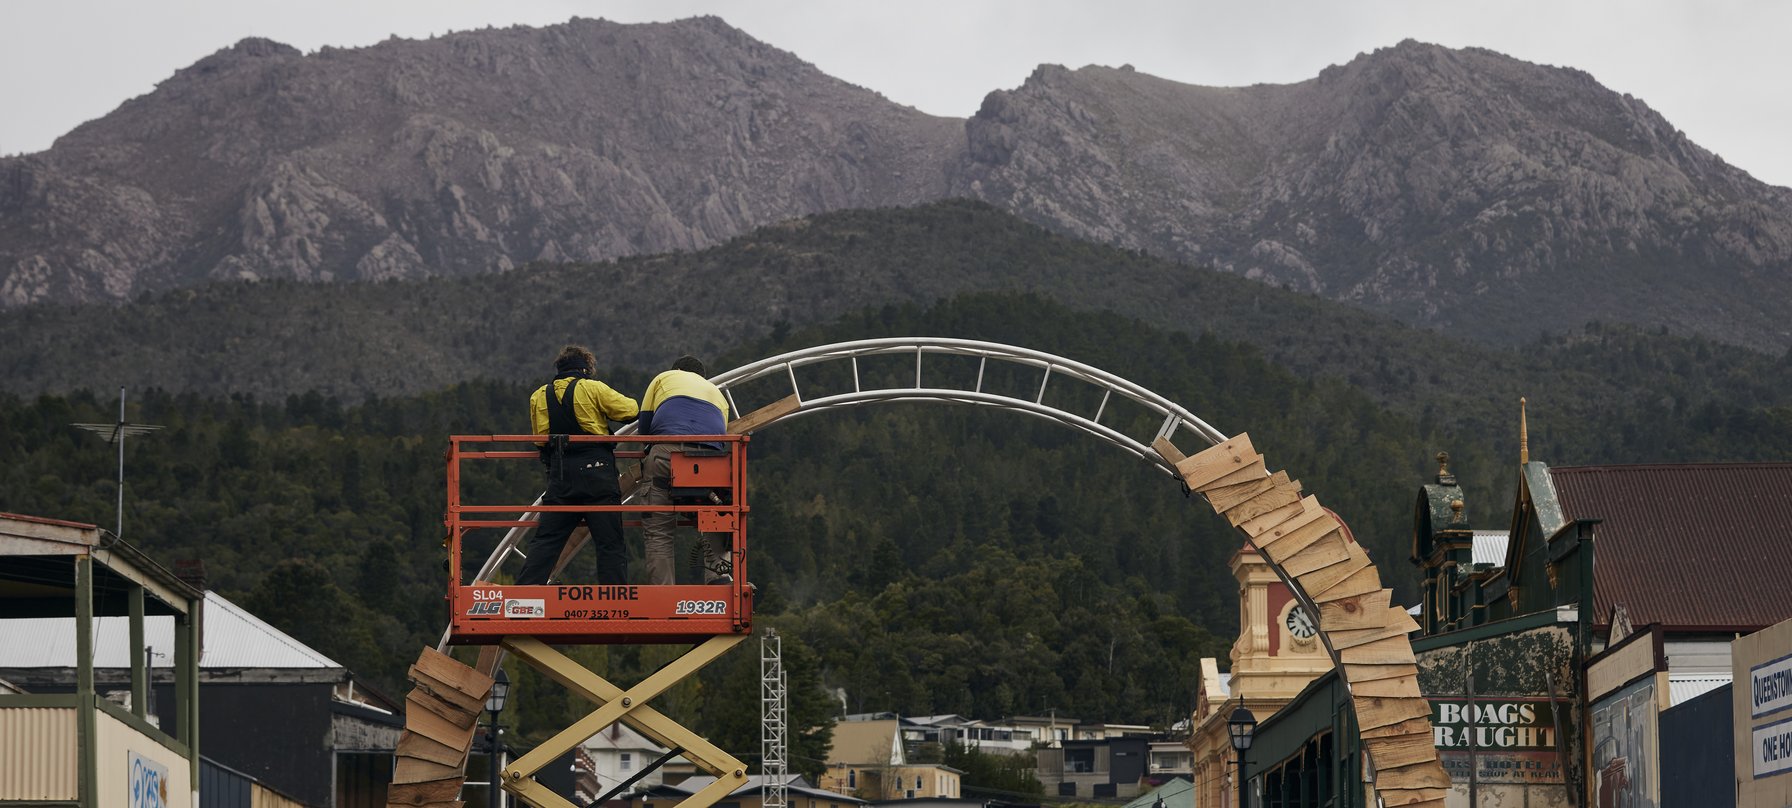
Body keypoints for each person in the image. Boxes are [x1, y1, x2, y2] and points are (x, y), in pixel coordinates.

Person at [518, 345, 638, 586]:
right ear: (586, 368)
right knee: (609, 542)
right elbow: (630, 410)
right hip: (598, 474)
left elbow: (538, 438)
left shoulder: (539, 395)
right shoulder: (593, 388)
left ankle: (525, 594)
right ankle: (615, 599)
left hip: (561, 477)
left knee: (547, 540)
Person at [637, 355, 733, 585]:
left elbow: (645, 427)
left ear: (677, 370)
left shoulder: (664, 378)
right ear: (702, 377)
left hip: (667, 453)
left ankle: (664, 593)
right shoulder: (717, 393)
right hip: (710, 460)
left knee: (659, 529)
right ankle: (718, 577)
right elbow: (721, 434)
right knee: (715, 515)